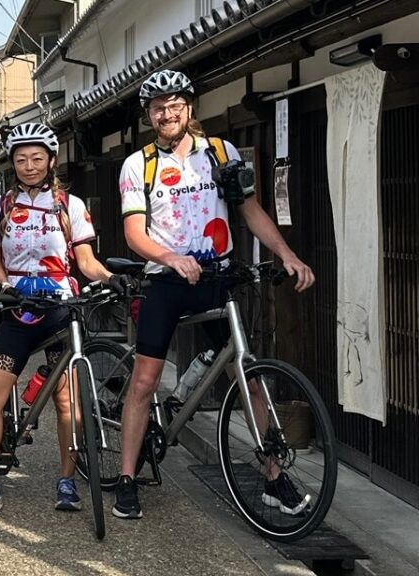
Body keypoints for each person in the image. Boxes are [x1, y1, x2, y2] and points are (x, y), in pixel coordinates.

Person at [113, 70, 315, 519]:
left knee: (247, 377)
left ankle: (273, 477)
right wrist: (169, 258)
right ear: (149, 115)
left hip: (216, 280)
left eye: (174, 104)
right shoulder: (138, 164)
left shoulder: (220, 153)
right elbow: (133, 234)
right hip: (166, 282)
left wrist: (286, 254)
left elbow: (250, 209)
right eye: (157, 107)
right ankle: (128, 477)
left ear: (189, 108)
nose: (166, 113)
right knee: (145, 381)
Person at [0, 122, 128, 513]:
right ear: (13, 163)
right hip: (17, 310)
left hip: (60, 308)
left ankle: (66, 480)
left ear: (51, 160)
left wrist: (113, 278)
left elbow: (85, 262)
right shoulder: (0, 208)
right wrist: (6, 284)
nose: (29, 165)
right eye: (21, 159)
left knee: (67, 401)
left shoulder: (70, 206)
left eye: (37, 158)